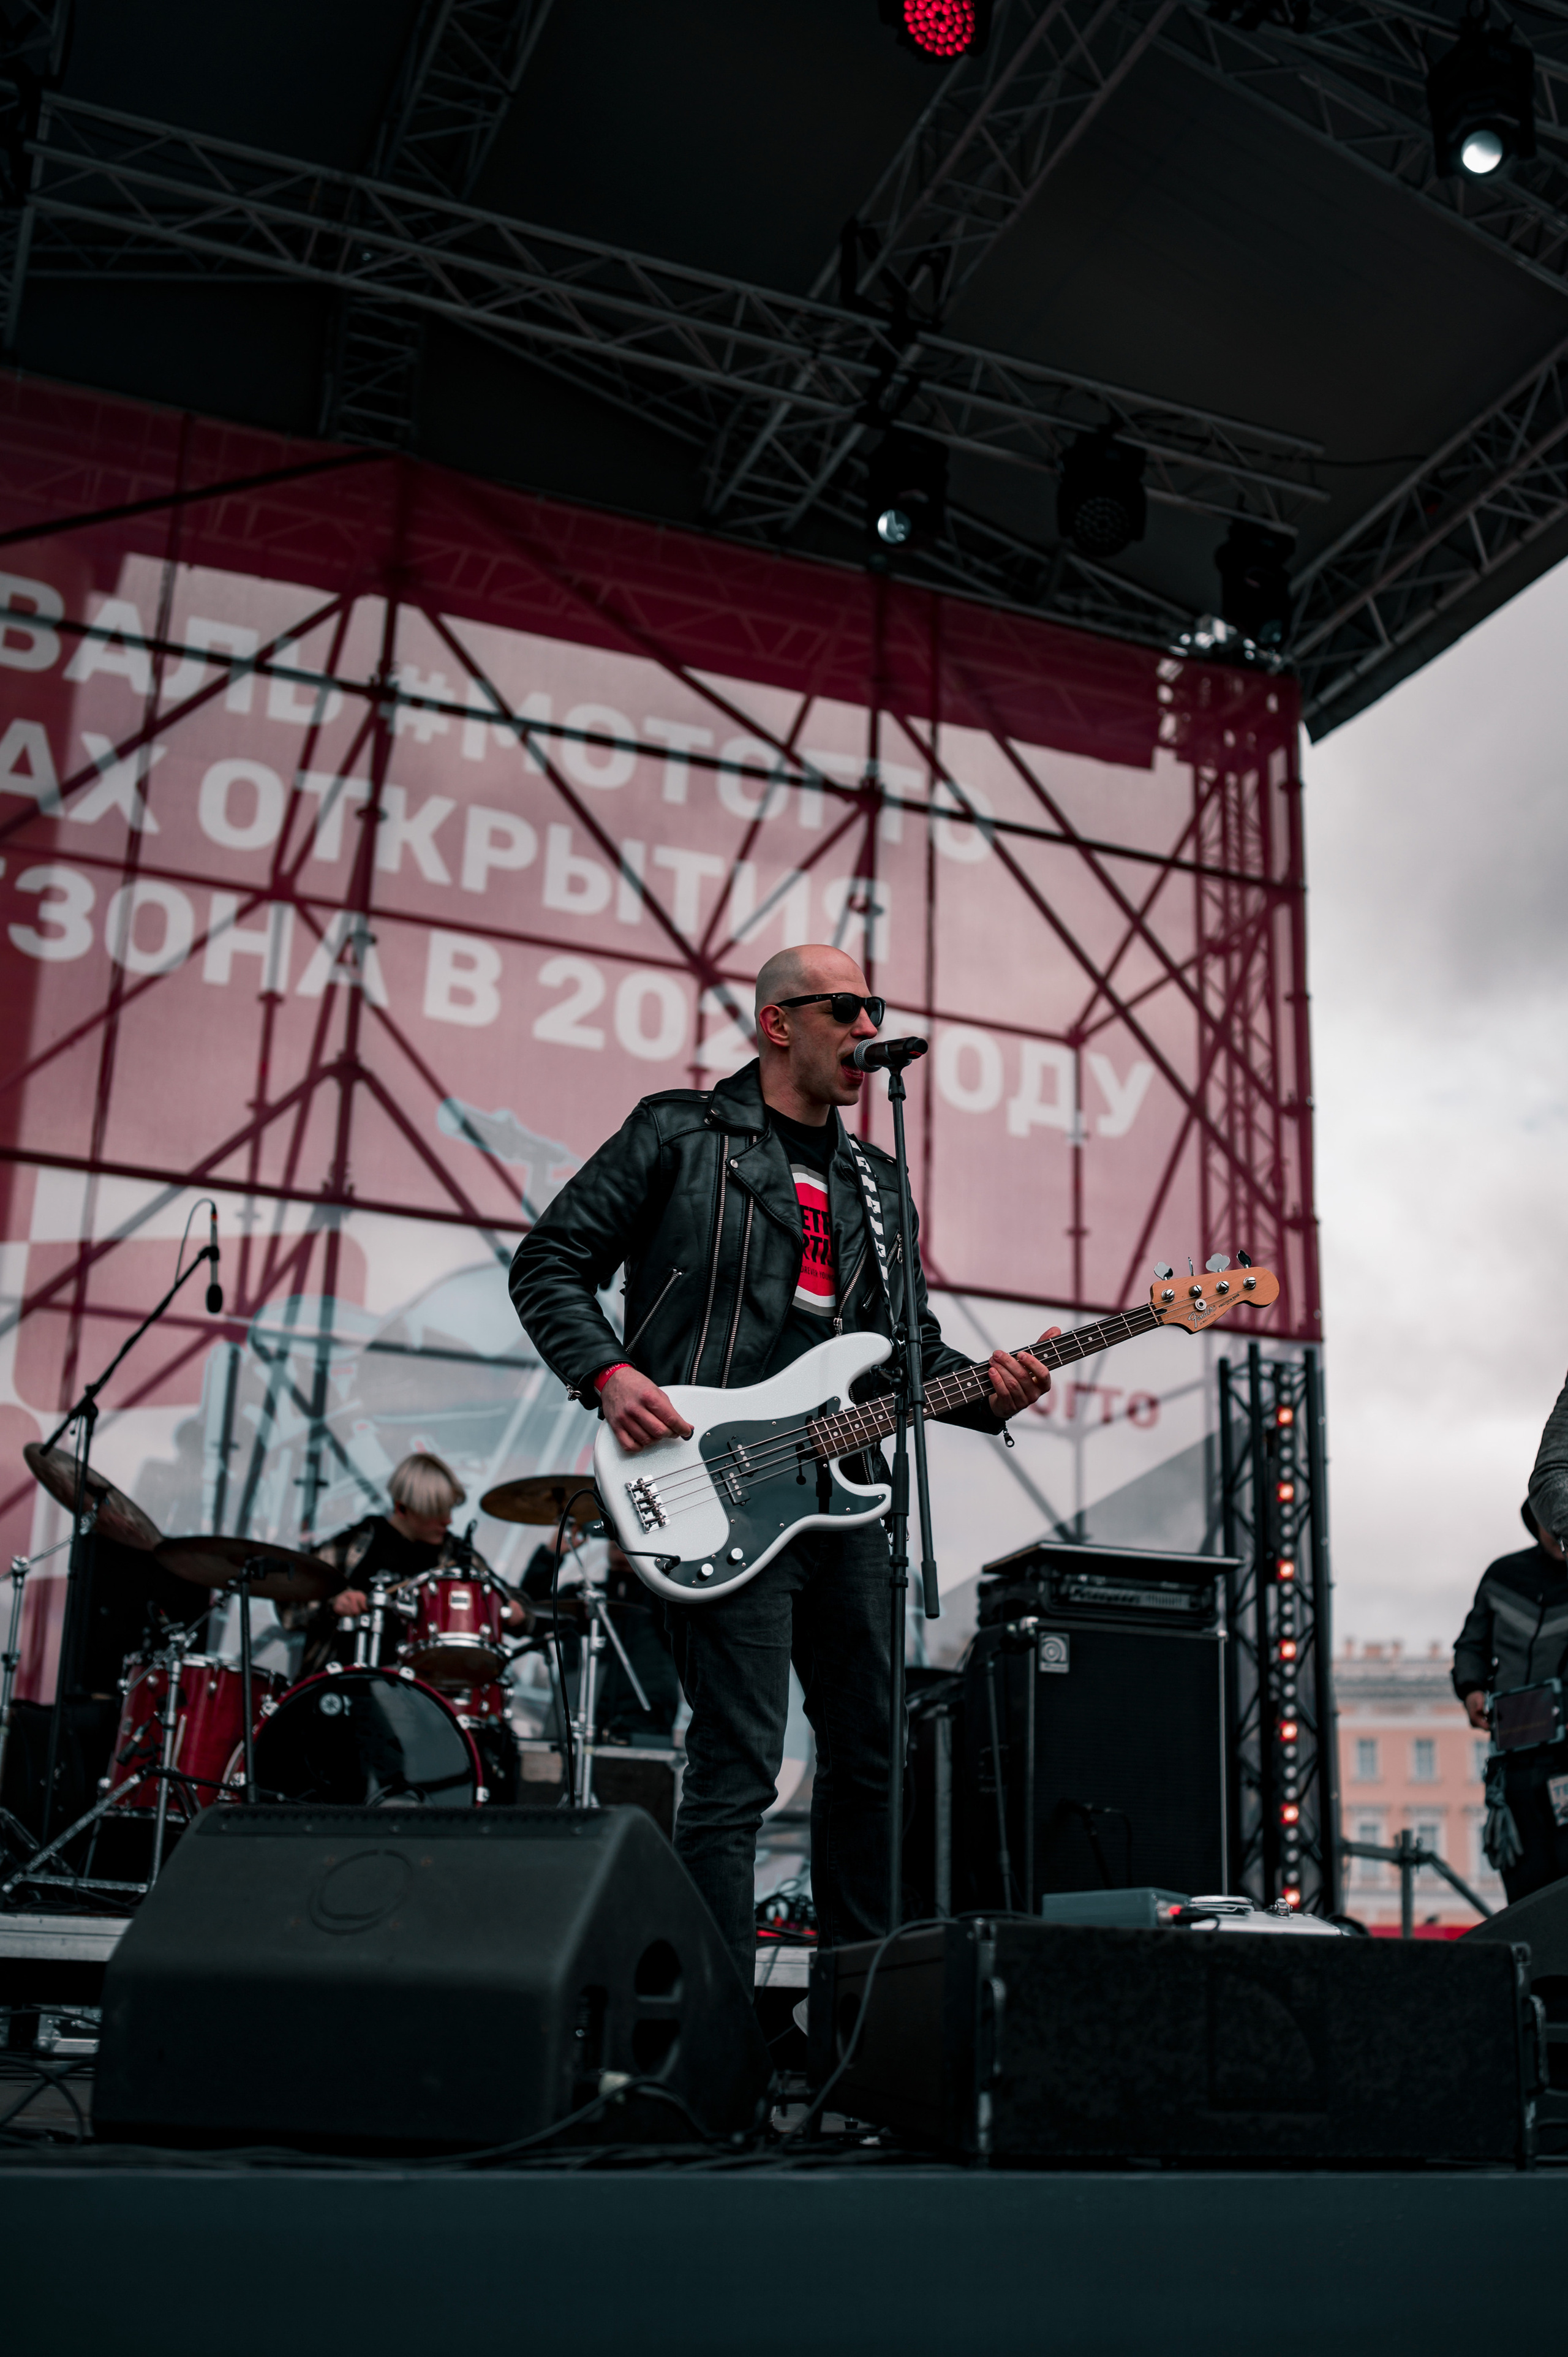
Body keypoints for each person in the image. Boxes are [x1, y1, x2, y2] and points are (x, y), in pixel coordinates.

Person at [509, 942, 1052, 1985]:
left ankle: (859, 2028)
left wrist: (990, 1387)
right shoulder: (679, 1131)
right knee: (738, 1766)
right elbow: (552, 1263)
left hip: (846, 1505)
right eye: (846, 1009)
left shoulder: (880, 1186)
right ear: (778, 1023)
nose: (865, 1029)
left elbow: (906, 1353)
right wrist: (608, 1371)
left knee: (868, 1762)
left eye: (873, 1010)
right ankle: (720, 2035)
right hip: (713, 1483)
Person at [300, 1451, 522, 1675]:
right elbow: (290, 1601)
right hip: (336, 1686)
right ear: (402, 1508)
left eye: (449, 1509)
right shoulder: (354, 1544)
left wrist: (513, 1609)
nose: (448, 1520)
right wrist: (332, 1603)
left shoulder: (456, 1557)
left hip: (423, 1695)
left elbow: (507, 1598)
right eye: (435, 1512)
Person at [1453, 1496, 1568, 1903]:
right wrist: (1471, 1690)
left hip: (1565, 1758)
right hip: (1514, 1762)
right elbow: (1471, 1645)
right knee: (1526, 1887)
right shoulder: (1503, 1576)